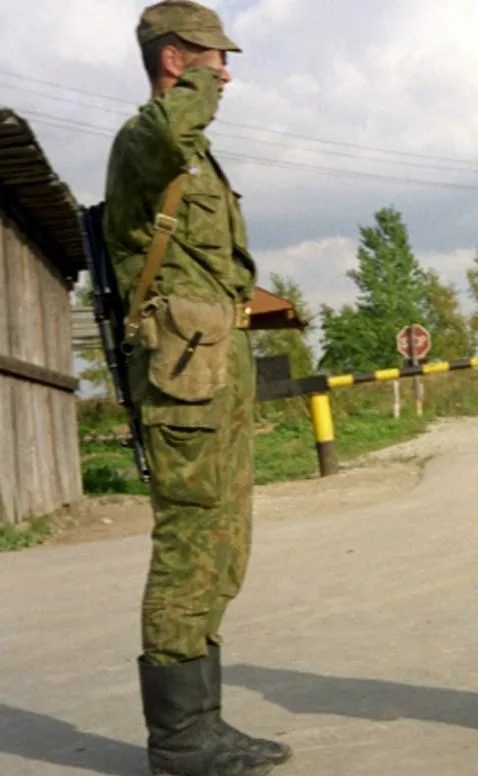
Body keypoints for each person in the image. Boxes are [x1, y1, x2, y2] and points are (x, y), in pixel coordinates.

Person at [102, 2, 291, 773]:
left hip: (214, 375)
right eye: (215, 59)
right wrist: (195, 92)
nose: (227, 73)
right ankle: (178, 741)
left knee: (223, 546)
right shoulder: (145, 142)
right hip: (183, 384)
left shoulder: (190, 157)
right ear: (175, 59)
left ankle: (204, 723)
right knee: (189, 545)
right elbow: (170, 130)